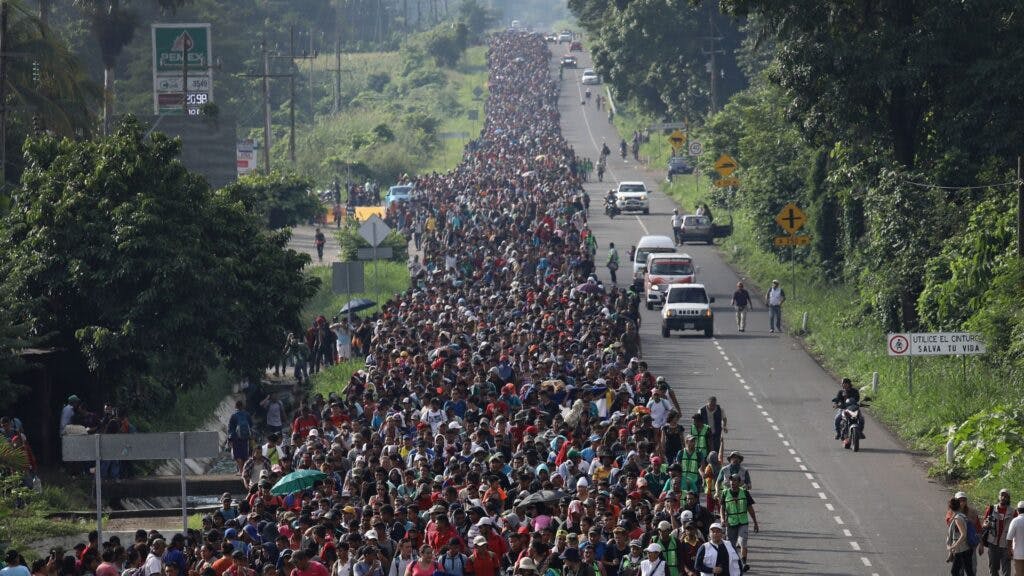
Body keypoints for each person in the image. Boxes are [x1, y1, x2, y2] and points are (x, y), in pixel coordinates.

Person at [720, 475, 758, 572]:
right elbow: (722, 508)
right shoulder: (725, 493)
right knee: (731, 545)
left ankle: (744, 563)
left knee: (742, 542)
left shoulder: (744, 493)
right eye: (731, 481)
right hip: (731, 523)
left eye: (735, 481)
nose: (733, 482)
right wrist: (722, 519)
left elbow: (750, 508)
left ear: (739, 482)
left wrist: (755, 522)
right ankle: (735, 563)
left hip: (743, 522)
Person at [982, 489, 1014, 576]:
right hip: (993, 543)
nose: (1003, 498)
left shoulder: (1013, 512)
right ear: (998, 496)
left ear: (1009, 498)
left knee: (1006, 571)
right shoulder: (991, 509)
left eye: (1006, 496)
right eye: (1001, 495)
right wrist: (986, 525)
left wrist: (1012, 547)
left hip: (1006, 545)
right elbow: (984, 523)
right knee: (993, 569)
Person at [949, 497, 976, 576]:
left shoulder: (958, 518)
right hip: (967, 547)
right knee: (968, 570)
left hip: (962, 549)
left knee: (955, 571)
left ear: (950, 507)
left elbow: (963, 534)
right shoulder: (962, 516)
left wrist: (954, 545)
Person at [227, 400, 254, 474]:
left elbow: (230, 428)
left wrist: (229, 439)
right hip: (245, 438)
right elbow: (251, 425)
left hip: (236, 438)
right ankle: (245, 471)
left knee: (237, 455)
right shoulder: (247, 414)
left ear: (235, 406)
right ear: (242, 406)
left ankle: (241, 471)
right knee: (245, 455)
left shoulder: (233, 416)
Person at [1005, 501, 1024, 576]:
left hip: (1018, 554)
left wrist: (1009, 551)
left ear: (1017, 510)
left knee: (1019, 573)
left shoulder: (1015, 521)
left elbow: (1009, 538)